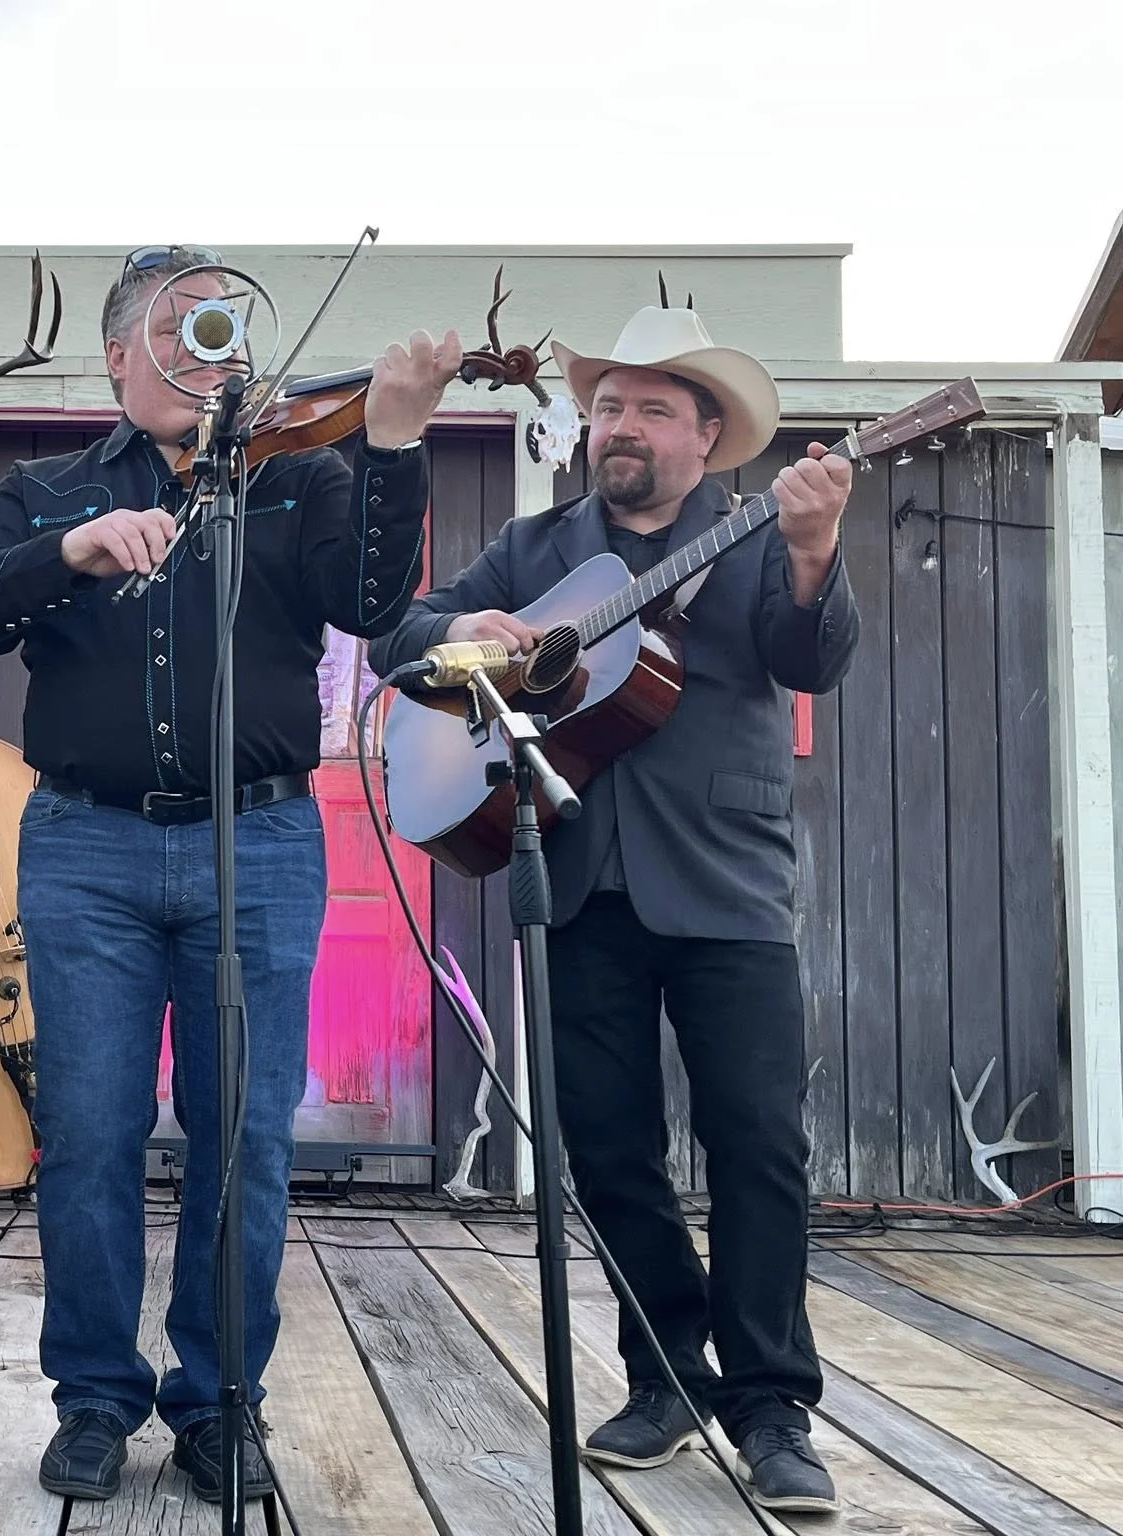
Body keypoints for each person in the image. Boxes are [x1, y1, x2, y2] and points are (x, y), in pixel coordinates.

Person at [0, 244, 460, 1503]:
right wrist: (68, 553)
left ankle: (222, 1400)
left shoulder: (300, 472)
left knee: (244, 1143)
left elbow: (375, 604)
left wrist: (390, 444)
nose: (201, 343)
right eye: (174, 324)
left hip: (260, 842)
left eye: (219, 323)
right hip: (86, 843)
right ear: (118, 355)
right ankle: (96, 1400)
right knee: (88, 1134)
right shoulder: (47, 484)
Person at [371, 299, 858, 1515]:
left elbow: (809, 660)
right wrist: (463, 634)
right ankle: (662, 1376)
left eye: (651, 408)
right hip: (573, 874)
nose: (620, 426)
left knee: (757, 1144)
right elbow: (400, 640)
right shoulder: (537, 552)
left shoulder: (754, 539)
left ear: (708, 436)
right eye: (605, 406)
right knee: (605, 1153)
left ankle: (769, 1404)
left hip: (728, 882)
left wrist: (811, 554)